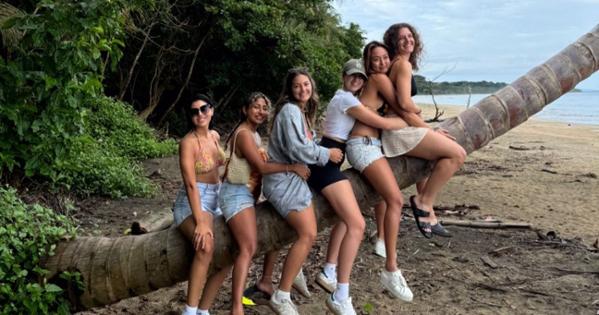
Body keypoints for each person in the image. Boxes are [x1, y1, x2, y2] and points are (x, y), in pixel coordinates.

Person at [218, 92, 310, 315]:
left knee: (255, 244)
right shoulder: (244, 135)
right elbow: (261, 167)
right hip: (235, 194)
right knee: (247, 248)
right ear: (245, 110)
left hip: (246, 196)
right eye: (256, 107)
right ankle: (237, 307)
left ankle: (267, 282)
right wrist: (292, 168)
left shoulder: (254, 135)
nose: (260, 111)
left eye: (264, 108)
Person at [262, 68, 344, 315]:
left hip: (293, 178)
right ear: (290, 89)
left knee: (305, 231)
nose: (303, 89)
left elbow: (303, 145)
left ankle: (293, 270)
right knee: (308, 233)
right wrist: (326, 154)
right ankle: (281, 295)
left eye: (306, 84)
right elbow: (299, 149)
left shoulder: (301, 113)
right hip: (283, 180)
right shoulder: (289, 111)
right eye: (297, 86)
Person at [343, 43, 415, 302]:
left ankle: (381, 243)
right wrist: (424, 126)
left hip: (371, 145)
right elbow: (403, 107)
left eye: (385, 58)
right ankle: (391, 270)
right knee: (396, 199)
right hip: (363, 145)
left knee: (385, 198)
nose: (382, 63)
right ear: (369, 63)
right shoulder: (378, 79)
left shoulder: (374, 81)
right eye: (376, 59)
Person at [381, 23, 466, 238]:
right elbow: (404, 105)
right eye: (402, 38)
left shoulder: (400, 64)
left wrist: (427, 127)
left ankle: (431, 215)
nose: (408, 40)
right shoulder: (402, 65)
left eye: (410, 36)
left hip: (399, 127)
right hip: (398, 131)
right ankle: (424, 202)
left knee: (426, 164)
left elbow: (403, 108)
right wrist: (430, 127)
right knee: (457, 154)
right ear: (393, 43)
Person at [173, 93, 231, 315]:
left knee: (233, 250)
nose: (200, 114)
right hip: (194, 200)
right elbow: (190, 184)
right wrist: (200, 221)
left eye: (204, 109)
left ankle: (204, 309)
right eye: (194, 111)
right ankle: (190, 310)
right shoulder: (187, 143)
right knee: (205, 246)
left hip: (218, 196)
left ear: (212, 110)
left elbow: (224, 166)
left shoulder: (215, 136)